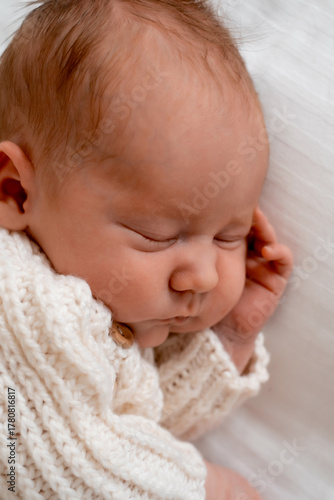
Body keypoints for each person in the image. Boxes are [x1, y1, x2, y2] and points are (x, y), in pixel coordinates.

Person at [0, 0, 293, 498]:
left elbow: (132, 427)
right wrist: (210, 489)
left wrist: (229, 337)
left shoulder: (88, 298)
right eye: (158, 235)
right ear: (16, 192)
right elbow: (44, 467)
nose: (203, 276)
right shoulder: (17, 296)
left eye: (229, 236)